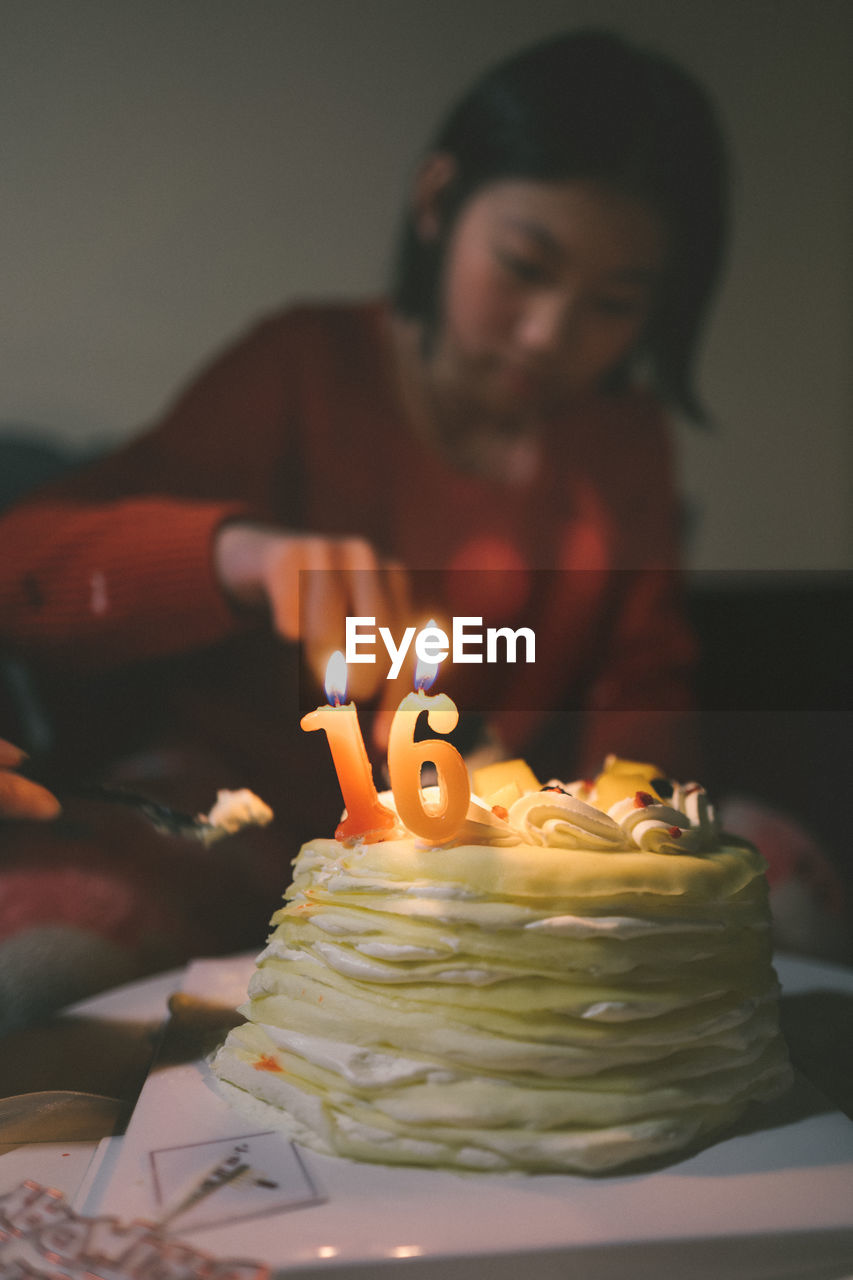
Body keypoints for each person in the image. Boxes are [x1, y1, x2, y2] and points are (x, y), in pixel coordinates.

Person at [0, 29, 739, 1020]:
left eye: (612, 304)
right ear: (438, 202)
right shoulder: (300, 372)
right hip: (227, 820)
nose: (548, 334)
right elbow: (26, 567)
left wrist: (613, 827)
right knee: (51, 949)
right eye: (523, 266)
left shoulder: (622, 447)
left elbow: (642, 688)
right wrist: (238, 553)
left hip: (495, 849)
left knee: (758, 877)